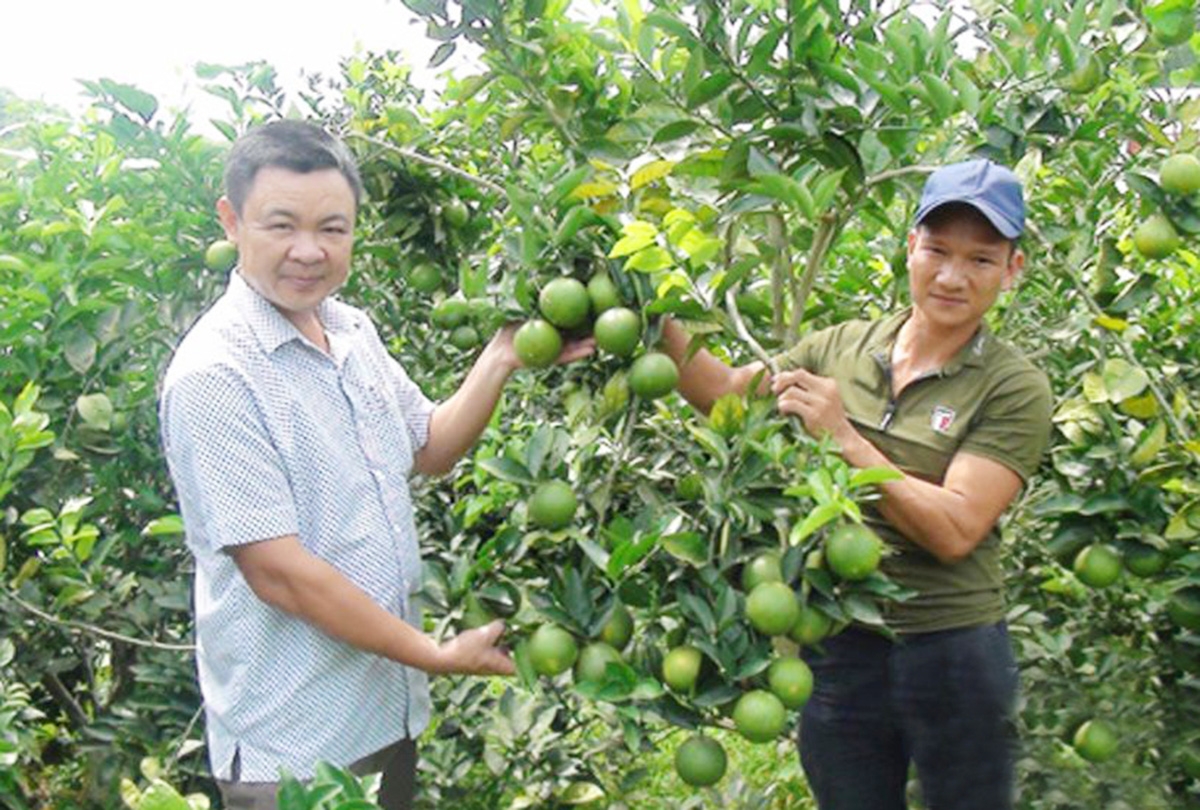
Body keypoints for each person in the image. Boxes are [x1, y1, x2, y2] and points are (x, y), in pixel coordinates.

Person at [158, 120, 590, 810]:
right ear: (232, 222)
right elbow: (279, 573)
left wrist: (502, 356)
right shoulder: (217, 375)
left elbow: (429, 447)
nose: (309, 250)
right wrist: (434, 654)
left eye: (333, 228)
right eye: (282, 225)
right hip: (295, 747)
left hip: (382, 715)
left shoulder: (351, 329)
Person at [662, 159, 1053, 809]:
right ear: (911, 247)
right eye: (938, 251)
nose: (951, 276)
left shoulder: (1013, 387)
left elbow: (956, 529)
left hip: (953, 650)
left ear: (1012, 270)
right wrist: (651, 315)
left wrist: (844, 438)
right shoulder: (840, 347)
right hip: (840, 643)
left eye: (980, 260)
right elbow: (726, 396)